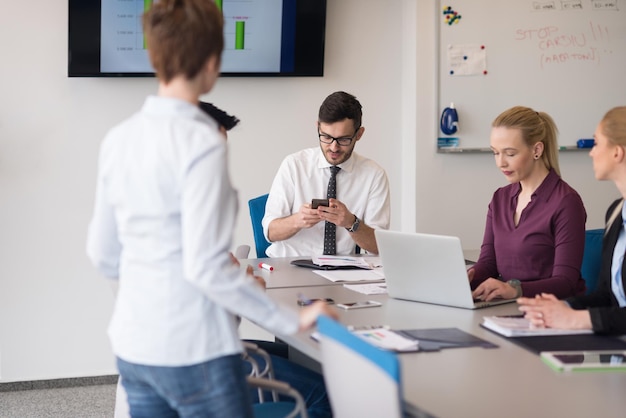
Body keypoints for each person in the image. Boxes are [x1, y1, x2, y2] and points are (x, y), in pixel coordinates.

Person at [86, 1, 336, 417]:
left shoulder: (119, 138)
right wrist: (294, 323)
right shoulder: (201, 143)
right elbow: (207, 268)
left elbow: (102, 253)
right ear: (213, 61)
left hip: (135, 349)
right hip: (195, 353)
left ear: (153, 54)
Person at [518, 106, 626, 334]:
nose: (591, 152)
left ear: (617, 152)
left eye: (596, 143)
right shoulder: (617, 212)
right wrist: (562, 307)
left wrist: (576, 320)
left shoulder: (566, 200)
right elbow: (608, 297)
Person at [468, 106, 587, 302]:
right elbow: (489, 264)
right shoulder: (500, 199)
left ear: (537, 150)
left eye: (510, 154)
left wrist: (515, 289)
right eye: (495, 153)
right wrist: (469, 276)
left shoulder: (566, 202)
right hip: (508, 306)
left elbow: (566, 282)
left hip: (552, 311)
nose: (500, 163)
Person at [262, 91, 391, 257]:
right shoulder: (294, 165)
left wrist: (351, 223)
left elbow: (380, 246)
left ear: (359, 134)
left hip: (342, 269)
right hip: (289, 264)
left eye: (344, 139)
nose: (333, 147)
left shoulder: (374, 175)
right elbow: (270, 232)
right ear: (318, 128)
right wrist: (298, 220)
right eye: (326, 137)